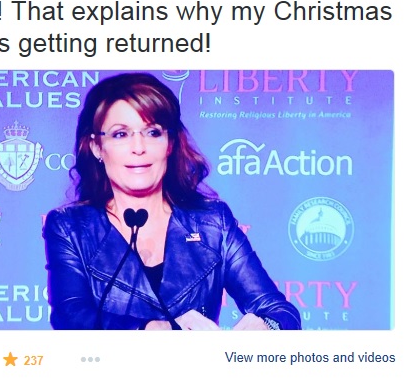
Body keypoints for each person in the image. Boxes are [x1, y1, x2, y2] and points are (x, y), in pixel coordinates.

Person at [43, 72, 301, 330]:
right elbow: (71, 317)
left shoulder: (213, 222)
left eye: (153, 132)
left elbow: (280, 311)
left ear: (170, 143)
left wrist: (267, 326)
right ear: (97, 147)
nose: (139, 147)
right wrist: (151, 329)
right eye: (121, 134)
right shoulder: (70, 227)